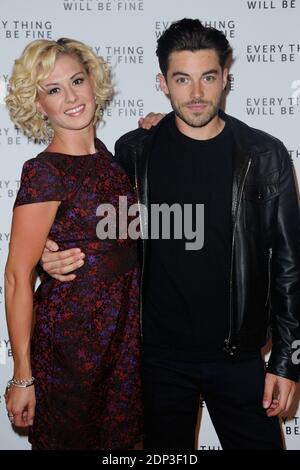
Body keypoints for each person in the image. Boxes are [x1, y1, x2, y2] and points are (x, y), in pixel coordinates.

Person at [40, 19, 300, 450]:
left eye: (207, 78)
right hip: (155, 360)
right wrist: (50, 262)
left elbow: (290, 265)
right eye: (182, 79)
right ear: (163, 83)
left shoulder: (263, 154)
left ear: (225, 79)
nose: (196, 94)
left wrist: (288, 363)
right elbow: (102, 234)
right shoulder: (134, 151)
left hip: (239, 356)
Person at [4, 37, 159, 450]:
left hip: (124, 345)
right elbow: (18, 276)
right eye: (54, 90)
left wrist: (161, 130)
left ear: (93, 81)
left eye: (77, 80)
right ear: (39, 104)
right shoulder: (44, 171)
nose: (71, 97)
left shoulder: (113, 160)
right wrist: (22, 376)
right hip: (69, 349)